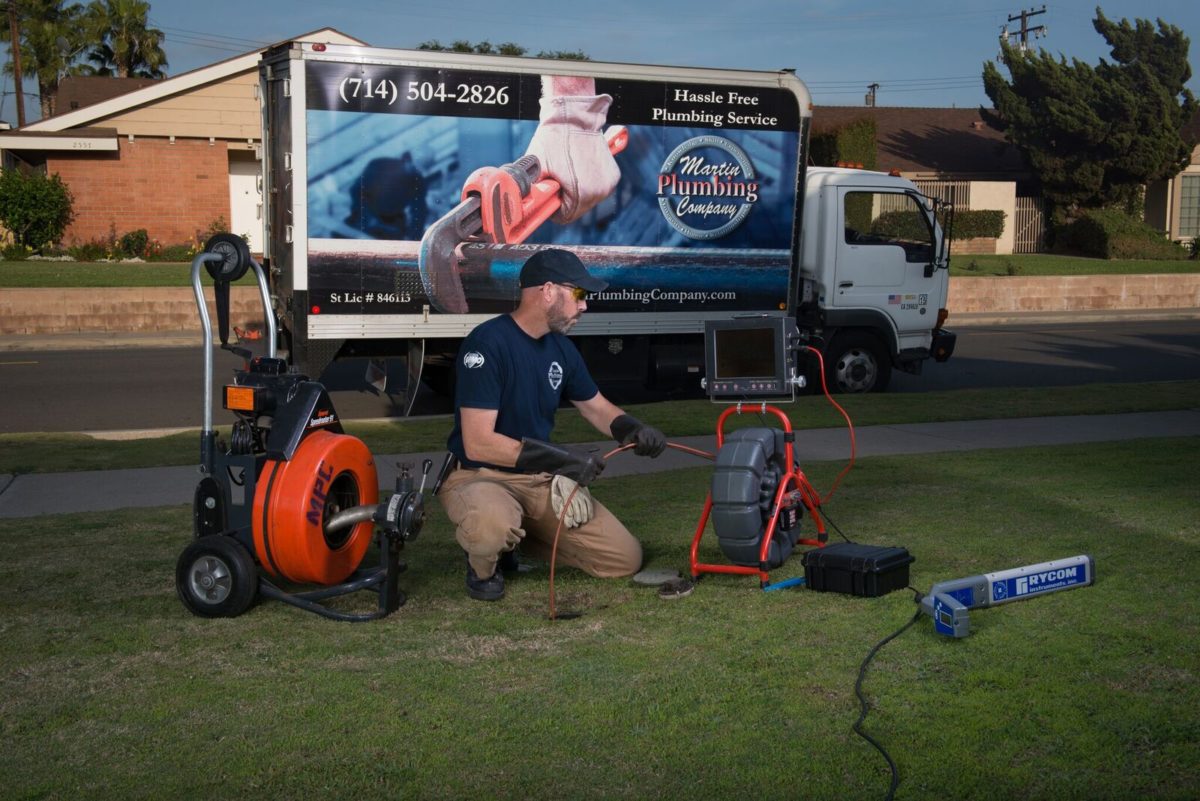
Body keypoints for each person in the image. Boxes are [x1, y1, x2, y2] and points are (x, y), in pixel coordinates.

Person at [438, 248, 667, 601]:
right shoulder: (487, 344)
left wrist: (632, 429)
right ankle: (485, 563)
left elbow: (596, 407)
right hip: (480, 475)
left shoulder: (561, 348)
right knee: (490, 528)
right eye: (579, 294)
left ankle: (516, 540)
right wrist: (563, 460)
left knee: (624, 559)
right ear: (547, 291)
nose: (584, 305)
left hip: (537, 479)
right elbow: (478, 443)